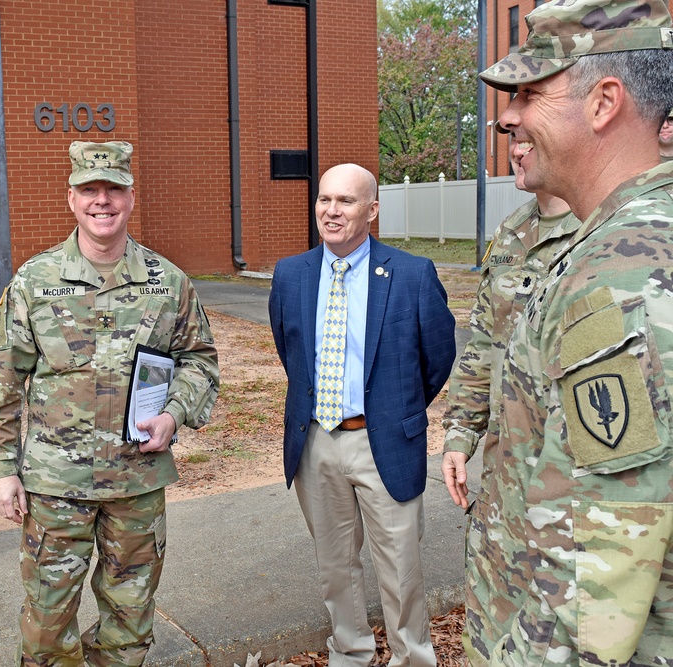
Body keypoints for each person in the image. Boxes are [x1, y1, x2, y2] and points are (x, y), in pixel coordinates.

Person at [0, 140, 219, 667]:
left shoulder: (166, 283)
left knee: (130, 617)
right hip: (56, 485)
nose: (101, 201)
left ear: (131, 196)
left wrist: (174, 414)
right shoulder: (34, 283)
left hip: (137, 483)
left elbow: (200, 360)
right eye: (89, 190)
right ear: (71, 198)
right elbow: (2, 378)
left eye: (113, 189)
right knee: (47, 618)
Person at [477, 0, 673, 663]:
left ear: (603, 103)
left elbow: (598, 561)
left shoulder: (621, 276)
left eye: (531, 92)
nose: (508, 116)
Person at [268, 163, 455, 667]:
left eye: (346, 201)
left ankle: (411, 657)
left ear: (372, 210)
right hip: (316, 443)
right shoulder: (291, 274)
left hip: (384, 442)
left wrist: (397, 410)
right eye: (325, 199)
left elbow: (436, 358)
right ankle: (349, 653)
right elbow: (292, 354)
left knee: (401, 566)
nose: (332, 211)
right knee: (335, 564)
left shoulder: (413, 274)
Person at [440, 135, 579, 664]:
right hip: (504, 475)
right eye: (512, 143)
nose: (516, 150)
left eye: (527, 140)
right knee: (492, 624)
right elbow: (482, 343)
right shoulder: (512, 232)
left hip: (571, 483)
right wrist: (460, 434)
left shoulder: (613, 234)